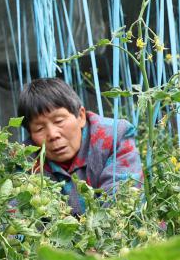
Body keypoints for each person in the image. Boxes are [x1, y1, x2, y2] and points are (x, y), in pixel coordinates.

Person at [17, 77, 143, 215]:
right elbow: (16, 216)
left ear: (81, 116)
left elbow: (121, 203)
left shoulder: (115, 136)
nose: (52, 135)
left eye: (59, 121)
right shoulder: (23, 159)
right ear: (30, 134)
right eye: (40, 129)